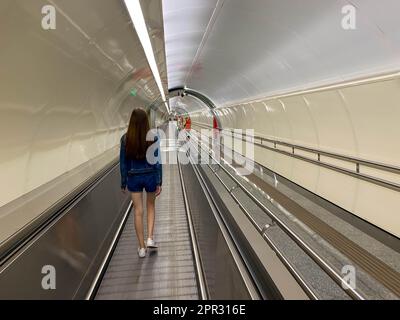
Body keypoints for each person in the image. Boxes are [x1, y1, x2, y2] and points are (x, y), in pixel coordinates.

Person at [120, 108, 162, 258]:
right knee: (151, 206)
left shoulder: (125, 139)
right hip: (150, 176)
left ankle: (142, 247)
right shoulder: (153, 138)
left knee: (138, 211)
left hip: (134, 178)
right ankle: (150, 238)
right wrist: (159, 181)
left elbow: (123, 163)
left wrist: (123, 182)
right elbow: (157, 162)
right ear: (146, 122)